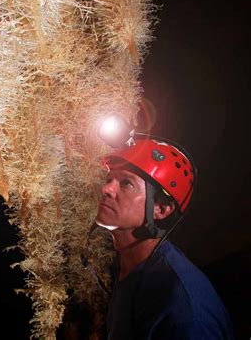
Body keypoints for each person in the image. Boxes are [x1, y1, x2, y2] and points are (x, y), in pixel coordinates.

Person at [95, 138, 234, 339]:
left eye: (126, 183)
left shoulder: (183, 310)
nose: (106, 189)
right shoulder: (129, 265)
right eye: (109, 179)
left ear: (161, 209)